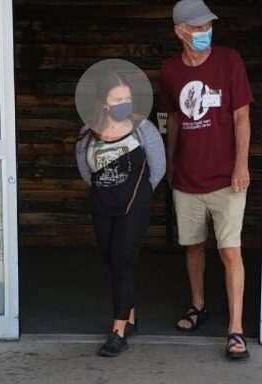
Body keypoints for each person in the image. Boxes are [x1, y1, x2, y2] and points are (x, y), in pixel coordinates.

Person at [159, 0, 254, 360]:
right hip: (187, 178)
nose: (204, 33)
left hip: (227, 179)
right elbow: (175, 120)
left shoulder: (229, 61)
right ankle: (198, 306)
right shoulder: (169, 71)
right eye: (196, 28)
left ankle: (236, 330)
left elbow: (242, 117)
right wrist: (169, 166)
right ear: (179, 31)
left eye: (207, 26)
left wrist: (241, 165)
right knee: (194, 246)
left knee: (230, 251)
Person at [76, 71, 165, 357]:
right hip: (103, 205)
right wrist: (108, 188)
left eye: (127, 98)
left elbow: (158, 168)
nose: (124, 103)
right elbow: (85, 168)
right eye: (117, 99)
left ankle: (118, 332)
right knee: (111, 259)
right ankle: (131, 317)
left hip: (134, 207)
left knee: (123, 263)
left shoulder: (143, 129)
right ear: (104, 102)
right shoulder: (87, 132)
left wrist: (138, 196)